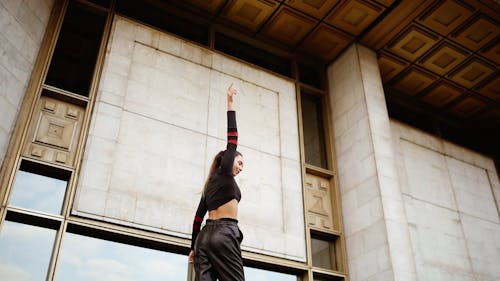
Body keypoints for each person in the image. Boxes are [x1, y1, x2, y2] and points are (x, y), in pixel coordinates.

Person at [188, 83, 245, 281]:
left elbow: (197, 219)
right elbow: (232, 138)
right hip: (224, 234)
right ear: (229, 160)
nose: (241, 166)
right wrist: (230, 101)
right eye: (240, 162)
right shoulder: (225, 173)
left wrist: (193, 248)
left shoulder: (209, 184)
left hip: (204, 239)